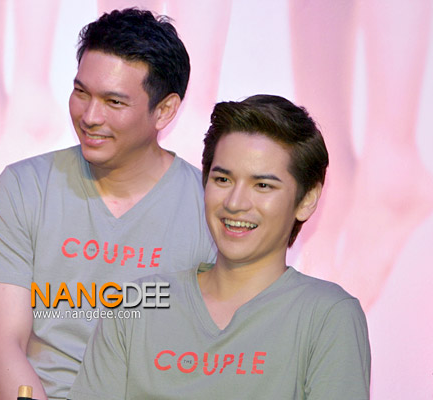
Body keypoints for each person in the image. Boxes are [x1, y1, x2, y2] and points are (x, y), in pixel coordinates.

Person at [0, 8, 215, 400]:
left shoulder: (211, 206)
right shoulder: (25, 187)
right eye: (81, 92)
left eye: (114, 102)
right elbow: (1, 348)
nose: (90, 116)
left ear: (164, 110)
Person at [69, 95, 371, 399]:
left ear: (306, 200)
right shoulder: (135, 306)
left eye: (262, 185)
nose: (235, 203)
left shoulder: (327, 315)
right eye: (223, 179)